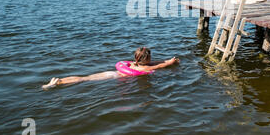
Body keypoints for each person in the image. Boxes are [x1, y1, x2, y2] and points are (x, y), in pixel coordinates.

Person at [42, 47, 179, 89]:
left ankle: (59, 81)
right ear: (147, 59)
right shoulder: (145, 69)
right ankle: (56, 83)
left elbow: (157, 62)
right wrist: (171, 61)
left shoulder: (133, 64)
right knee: (84, 80)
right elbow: (160, 65)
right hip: (113, 76)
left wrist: (167, 60)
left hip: (112, 72)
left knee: (85, 78)